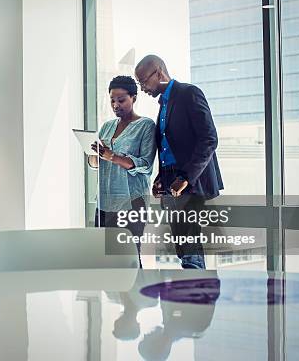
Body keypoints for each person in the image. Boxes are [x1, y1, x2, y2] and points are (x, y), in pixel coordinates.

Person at [135, 55, 223, 269]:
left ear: (158, 73)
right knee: (183, 246)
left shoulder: (188, 93)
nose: (142, 88)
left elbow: (209, 138)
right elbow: (169, 147)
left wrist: (185, 177)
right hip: (173, 184)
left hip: (191, 183)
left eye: (143, 81)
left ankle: (197, 295)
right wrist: (160, 178)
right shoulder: (164, 104)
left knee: (190, 246)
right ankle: (195, 295)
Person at [88, 75, 156, 268]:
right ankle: (108, 298)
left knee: (130, 258)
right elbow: (95, 162)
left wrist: (113, 157)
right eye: (112, 100)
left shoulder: (145, 126)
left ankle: (136, 296)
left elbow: (145, 164)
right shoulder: (107, 126)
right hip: (104, 201)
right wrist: (94, 156)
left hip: (132, 202)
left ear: (134, 98)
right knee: (106, 260)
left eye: (121, 100)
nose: (115, 105)